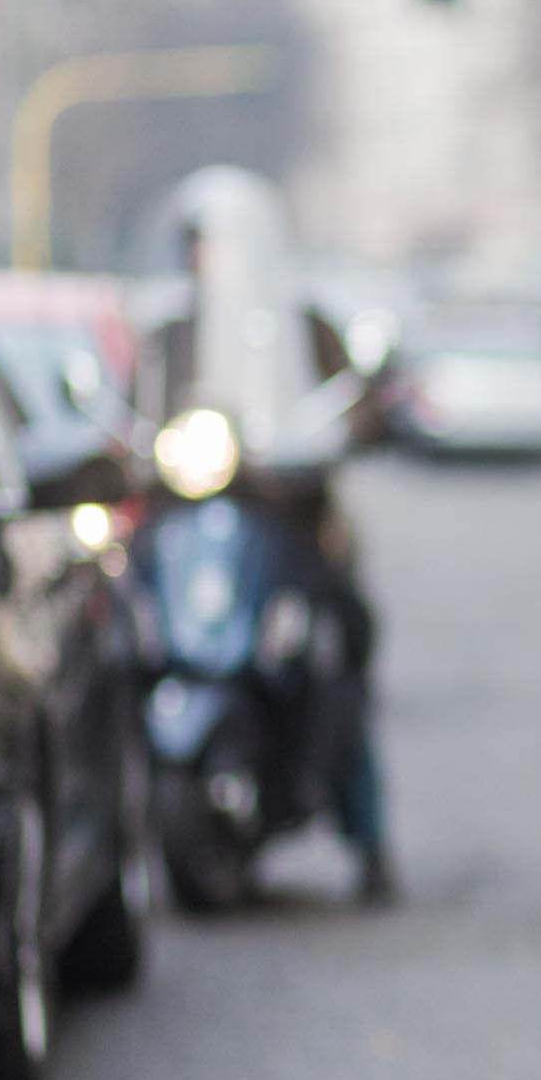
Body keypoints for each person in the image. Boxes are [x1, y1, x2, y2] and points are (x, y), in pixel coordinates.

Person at [149, 223, 394, 901]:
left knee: (336, 658)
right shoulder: (172, 332)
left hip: (292, 527)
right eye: (203, 245)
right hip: (196, 530)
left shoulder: (301, 326)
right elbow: (141, 417)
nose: (215, 258)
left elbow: (359, 406)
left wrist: (338, 429)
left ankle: (369, 840)